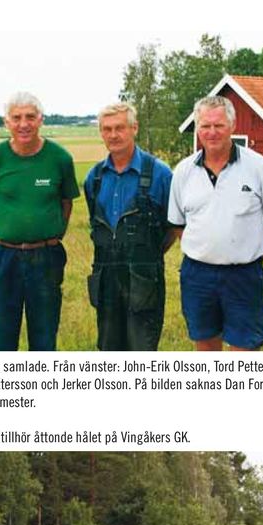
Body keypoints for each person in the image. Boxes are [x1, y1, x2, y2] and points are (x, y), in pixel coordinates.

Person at [169, 95, 263, 351]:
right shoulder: (183, 172)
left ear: (232, 125)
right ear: (197, 129)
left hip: (244, 275)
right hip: (197, 275)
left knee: (245, 347)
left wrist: (249, 255)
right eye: (205, 126)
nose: (211, 132)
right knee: (205, 345)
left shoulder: (260, 168)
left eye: (218, 125)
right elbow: (178, 225)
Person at [0, 93, 79, 350]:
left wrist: (49, 235)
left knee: (44, 335)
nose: (24, 124)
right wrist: (4, 233)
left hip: (46, 257)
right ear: (6, 122)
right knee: (1, 335)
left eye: (30, 117)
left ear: (40, 120)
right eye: (16, 118)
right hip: (2, 257)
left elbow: (66, 203)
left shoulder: (60, 159)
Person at [83, 101, 174, 350]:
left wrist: (144, 253)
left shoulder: (160, 174)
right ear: (101, 132)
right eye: (107, 129)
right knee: (108, 349)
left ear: (134, 128)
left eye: (120, 128)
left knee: (141, 349)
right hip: (105, 276)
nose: (114, 135)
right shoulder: (94, 177)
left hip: (144, 277)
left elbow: (171, 229)